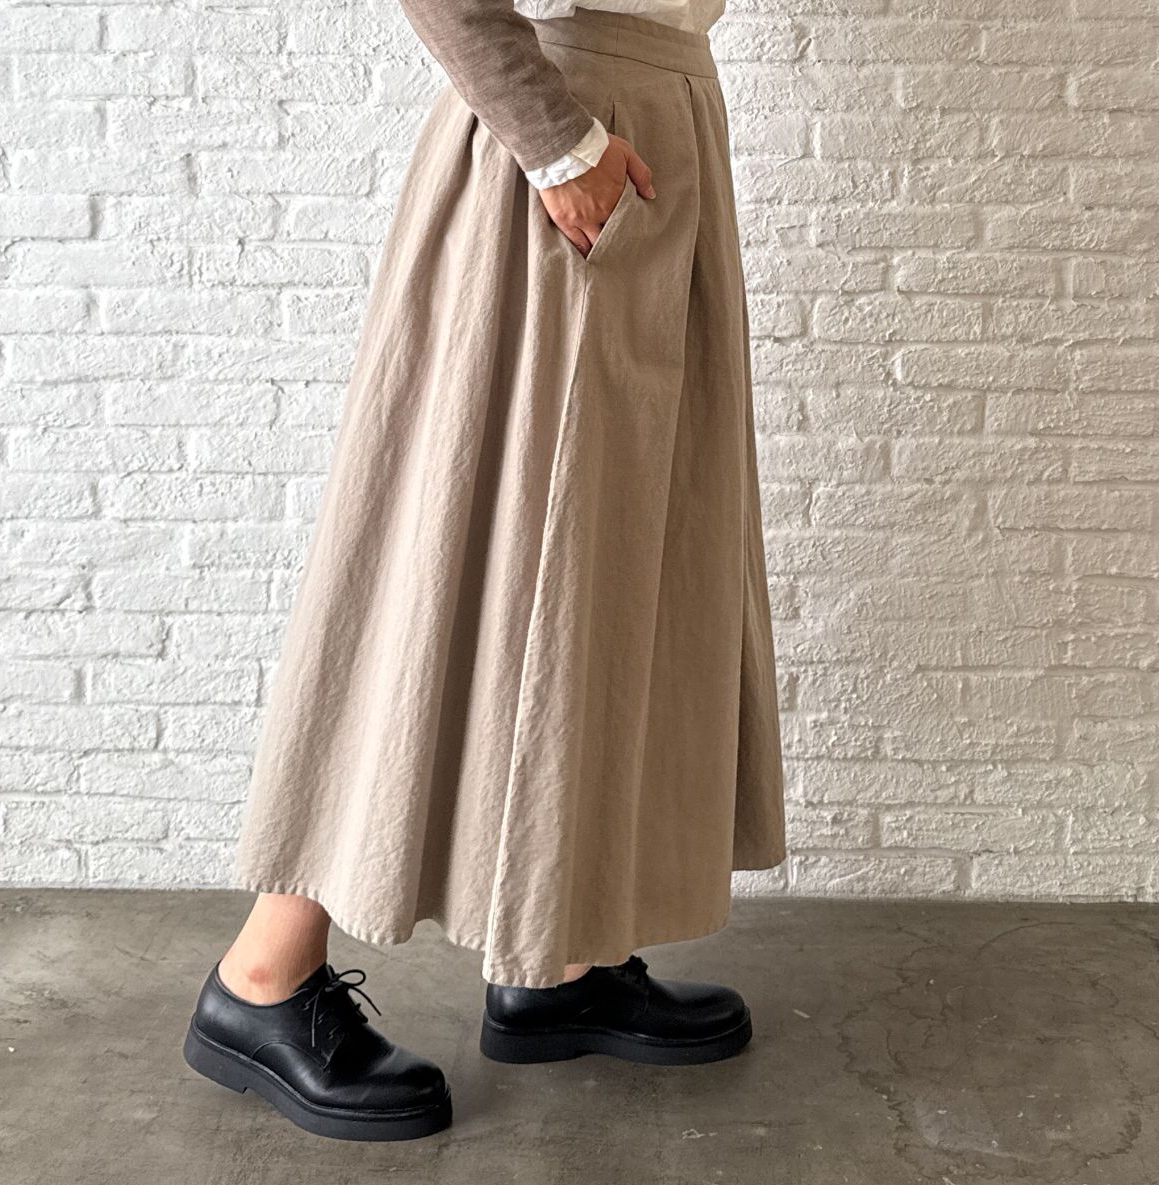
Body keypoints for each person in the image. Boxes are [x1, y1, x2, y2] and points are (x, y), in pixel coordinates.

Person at [182, 0, 787, 1142]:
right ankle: (262, 973)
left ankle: (557, 960)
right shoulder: (567, 141)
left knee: (613, 577)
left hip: (644, 129)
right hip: (564, 144)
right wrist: (558, 143)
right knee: (439, 560)